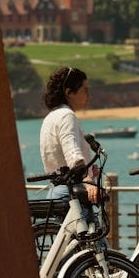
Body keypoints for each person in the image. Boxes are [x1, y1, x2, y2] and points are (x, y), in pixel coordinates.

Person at [39, 67, 99, 208]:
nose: (88, 95)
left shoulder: (51, 117)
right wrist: (87, 179)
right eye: (85, 89)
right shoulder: (67, 115)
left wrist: (90, 170)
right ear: (69, 92)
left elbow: (56, 160)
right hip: (71, 195)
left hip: (56, 191)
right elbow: (72, 152)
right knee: (90, 229)